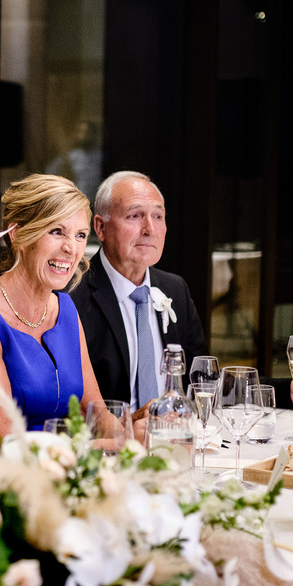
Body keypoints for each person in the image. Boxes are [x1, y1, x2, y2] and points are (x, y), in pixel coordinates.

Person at [0, 174, 125, 442]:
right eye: (56, 231)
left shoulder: (65, 308)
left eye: (80, 235)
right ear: (18, 234)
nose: (71, 248)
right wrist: (86, 455)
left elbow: (93, 412)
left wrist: (133, 441)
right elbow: (3, 438)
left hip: (57, 466)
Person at [71, 171, 207, 414]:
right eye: (135, 216)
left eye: (158, 216)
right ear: (100, 228)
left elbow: (203, 380)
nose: (149, 229)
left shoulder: (175, 288)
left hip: (176, 436)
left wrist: (286, 389)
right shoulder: (71, 295)